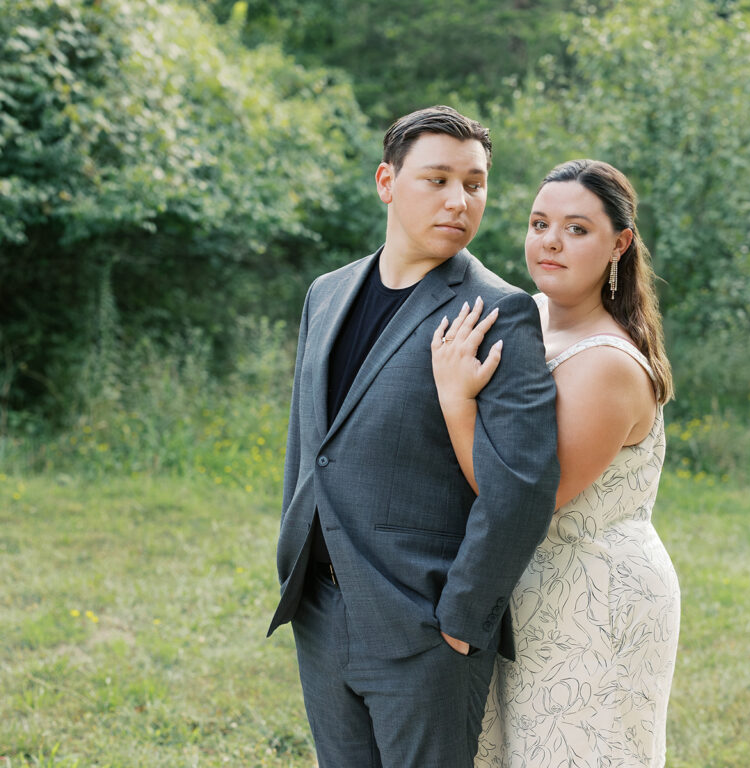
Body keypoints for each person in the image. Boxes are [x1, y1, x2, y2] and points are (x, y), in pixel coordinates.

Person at [265, 106, 560, 768]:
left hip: (425, 630)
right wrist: (294, 566)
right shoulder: (326, 293)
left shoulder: (498, 312)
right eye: (438, 179)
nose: (460, 200)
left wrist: (461, 622)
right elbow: (309, 446)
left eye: (475, 184)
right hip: (320, 612)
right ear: (387, 182)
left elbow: (522, 489)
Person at [431, 159, 680, 767]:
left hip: (595, 598)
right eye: (540, 223)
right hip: (519, 587)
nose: (550, 241)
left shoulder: (608, 364)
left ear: (619, 244)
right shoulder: (525, 317)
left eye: (577, 229)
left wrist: (456, 399)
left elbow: (520, 497)